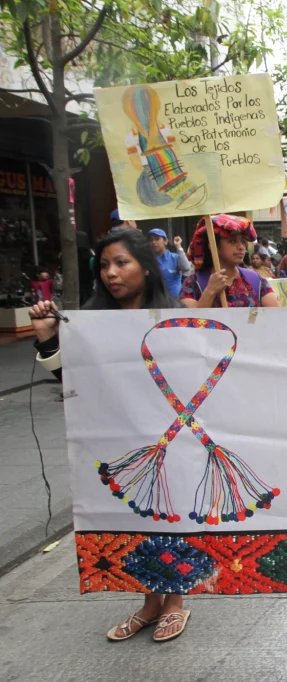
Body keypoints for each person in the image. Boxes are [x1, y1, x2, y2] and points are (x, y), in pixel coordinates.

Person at [29, 229, 191, 643]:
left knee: (167, 518)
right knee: (133, 518)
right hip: (118, 443)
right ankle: (150, 602)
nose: (111, 274)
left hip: (169, 441)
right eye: (104, 266)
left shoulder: (173, 317)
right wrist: (48, 335)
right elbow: (67, 378)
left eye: (122, 263)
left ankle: (175, 601)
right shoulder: (90, 324)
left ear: (146, 267)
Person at [179, 215, 278, 308]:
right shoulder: (193, 284)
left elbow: (277, 317)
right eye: (232, 241)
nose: (241, 247)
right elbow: (189, 322)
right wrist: (210, 291)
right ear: (214, 247)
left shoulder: (256, 280)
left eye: (243, 242)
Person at [147, 228, 191, 298]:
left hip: (175, 302)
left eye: (157, 239)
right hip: (156, 301)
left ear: (166, 241)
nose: (153, 242)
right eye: (151, 240)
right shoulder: (148, 260)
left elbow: (186, 268)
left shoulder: (175, 257)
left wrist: (178, 247)